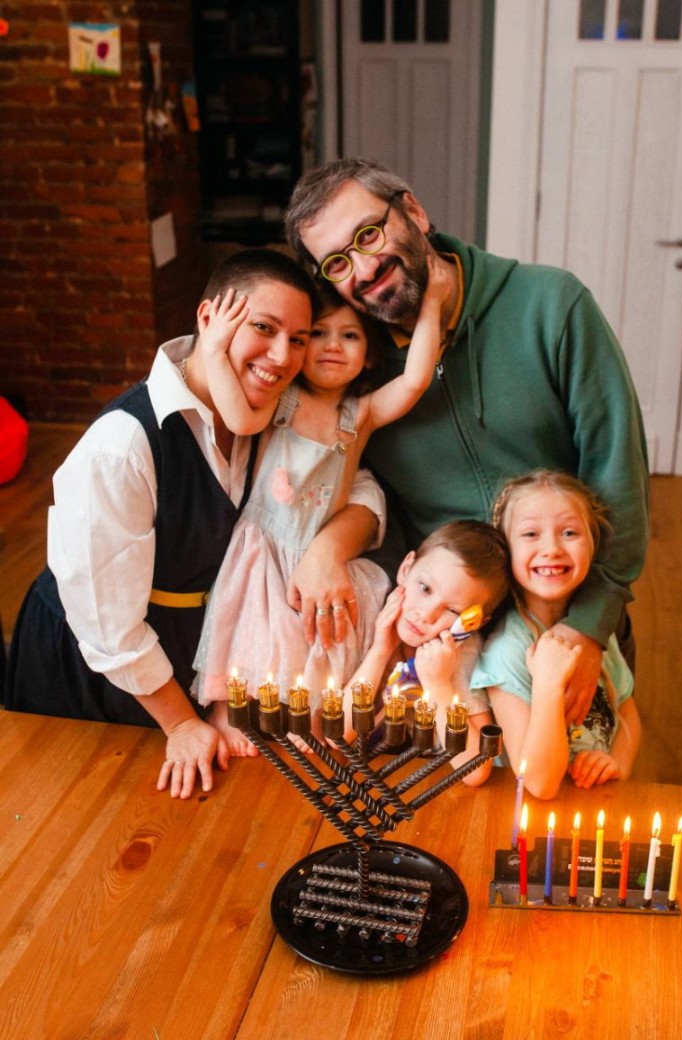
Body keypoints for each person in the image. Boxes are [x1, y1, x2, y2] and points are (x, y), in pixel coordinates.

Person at [284, 157, 650, 730]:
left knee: (570, 783)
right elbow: (368, 498)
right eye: (337, 262)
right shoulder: (353, 367)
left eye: (369, 234)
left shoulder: (551, 305)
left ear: (412, 210)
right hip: (443, 654)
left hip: (567, 631)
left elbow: (618, 475)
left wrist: (587, 627)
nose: (364, 268)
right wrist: (337, 560)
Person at [4, 250, 385, 799]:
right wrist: (181, 722)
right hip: (92, 665)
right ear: (210, 318)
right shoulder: (122, 445)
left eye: (298, 338)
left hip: (194, 649)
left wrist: (328, 547)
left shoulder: (268, 409)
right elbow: (107, 628)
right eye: (263, 328)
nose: (282, 357)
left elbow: (357, 483)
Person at [192, 262, 450, 754]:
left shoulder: (362, 413)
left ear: (368, 355)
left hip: (315, 547)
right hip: (268, 542)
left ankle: (308, 716)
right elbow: (238, 418)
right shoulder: (282, 398)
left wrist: (432, 304)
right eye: (318, 334)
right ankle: (230, 711)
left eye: (349, 336)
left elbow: (416, 380)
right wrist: (214, 347)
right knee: (254, 631)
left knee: (314, 637)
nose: (333, 346)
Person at [471, 470, 642, 799]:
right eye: (531, 533)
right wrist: (548, 684)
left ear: (594, 545)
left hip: (595, 799)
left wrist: (615, 763)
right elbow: (537, 783)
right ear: (506, 550)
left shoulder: (596, 633)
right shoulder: (507, 650)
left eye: (569, 532)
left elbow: (627, 712)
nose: (551, 548)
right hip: (526, 815)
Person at [342, 519, 511, 786]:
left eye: (452, 610)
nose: (427, 614)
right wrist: (379, 652)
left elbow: (476, 771)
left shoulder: (460, 654)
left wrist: (440, 685)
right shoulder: (371, 612)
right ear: (406, 568)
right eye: (425, 588)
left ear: (472, 623)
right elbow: (339, 734)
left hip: (425, 785)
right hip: (358, 779)